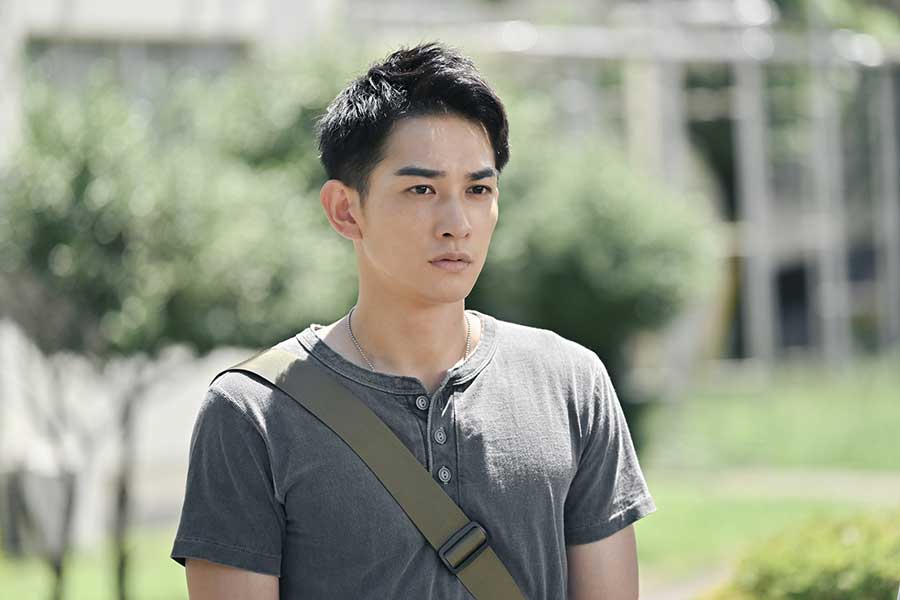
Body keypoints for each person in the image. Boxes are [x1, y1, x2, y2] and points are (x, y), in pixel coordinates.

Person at [170, 41, 656, 600]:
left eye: (478, 189)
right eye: (421, 189)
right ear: (345, 210)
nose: (457, 223)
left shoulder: (571, 383)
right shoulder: (252, 412)